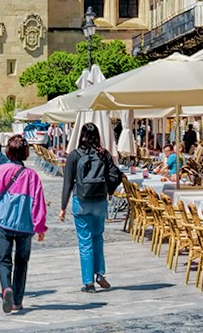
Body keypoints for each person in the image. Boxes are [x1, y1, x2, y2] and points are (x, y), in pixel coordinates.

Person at [0, 134, 48, 314]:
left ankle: (6, 289)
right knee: (21, 262)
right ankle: (17, 301)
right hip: (25, 225)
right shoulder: (32, 176)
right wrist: (40, 227)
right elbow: (38, 203)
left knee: (3, 260)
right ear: (26, 152)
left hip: (3, 222)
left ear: (8, 151)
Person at [59, 123, 119, 293]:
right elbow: (115, 174)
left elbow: (67, 183)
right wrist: (109, 190)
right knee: (98, 237)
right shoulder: (104, 154)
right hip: (100, 201)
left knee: (85, 241)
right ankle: (99, 273)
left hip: (81, 201)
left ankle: (88, 282)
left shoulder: (74, 155)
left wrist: (63, 207)